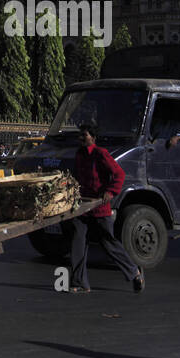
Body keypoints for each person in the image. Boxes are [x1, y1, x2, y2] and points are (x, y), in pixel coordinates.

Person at [65, 122, 145, 294]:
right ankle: (80, 283)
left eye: (84, 135)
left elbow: (119, 174)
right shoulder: (79, 155)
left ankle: (134, 272)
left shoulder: (100, 154)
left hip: (100, 206)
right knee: (78, 241)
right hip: (83, 206)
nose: (81, 138)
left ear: (93, 138)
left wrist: (110, 191)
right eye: (80, 135)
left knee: (108, 243)